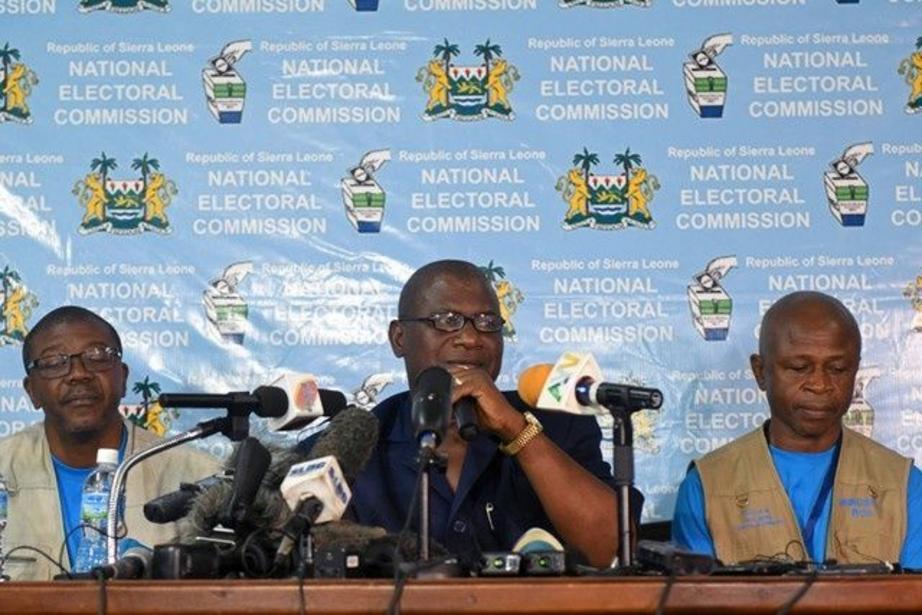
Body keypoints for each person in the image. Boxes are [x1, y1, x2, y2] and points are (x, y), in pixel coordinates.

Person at [323, 259, 632, 567]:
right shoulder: (353, 448)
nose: (471, 339)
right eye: (446, 320)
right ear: (399, 338)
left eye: (487, 323)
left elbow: (614, 550)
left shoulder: (560, 426)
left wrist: (517, 431)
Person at [673, 291, 922, 567]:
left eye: (838, 368)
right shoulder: (707, 487)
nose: (819, 384)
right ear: (760, 372)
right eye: (799, 367)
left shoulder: (904, 486)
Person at [0, 306, 220, 580]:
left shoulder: (200, 478)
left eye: (97, 356)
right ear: (31, 391)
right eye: (55, 362)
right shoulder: (4, 465)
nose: (79, 374)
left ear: (124, 377)